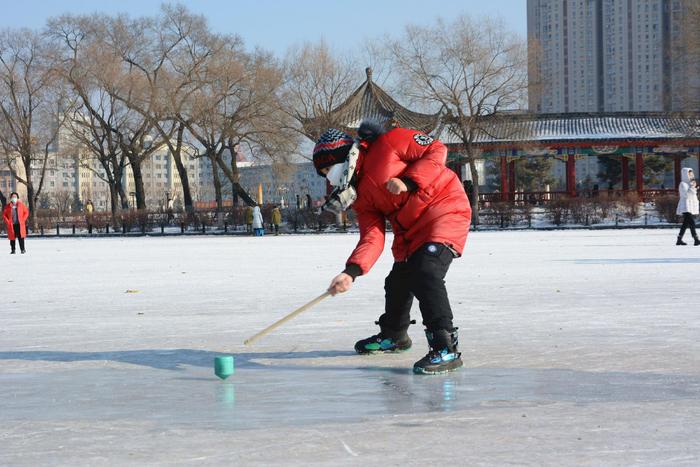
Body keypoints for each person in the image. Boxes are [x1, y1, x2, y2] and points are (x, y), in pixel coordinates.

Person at [313, 121, 471, 375]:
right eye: (325, 174)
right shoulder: (359, 196)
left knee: (426, 272)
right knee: (398, 280)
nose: (330, 177)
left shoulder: (389, 142)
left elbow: (436, 149)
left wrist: (408, 181)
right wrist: (351, 272)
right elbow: (372, 238)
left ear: (343, 156)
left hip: (445, 209)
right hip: (410, 231)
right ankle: (395, 335)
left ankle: (445, 346)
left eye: (329, 169)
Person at [676, 167, 699, 246]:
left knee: (685, 223)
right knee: (692, 222)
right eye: (689, 173)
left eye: (691, 173)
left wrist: (694, 188)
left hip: (690, 205)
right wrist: (693, 188)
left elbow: (693, 195)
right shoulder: (683, 184)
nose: (691, 174)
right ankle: (696, 239)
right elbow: (685, 195)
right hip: (685, 206)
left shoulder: (690, 183)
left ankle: (679, 239)